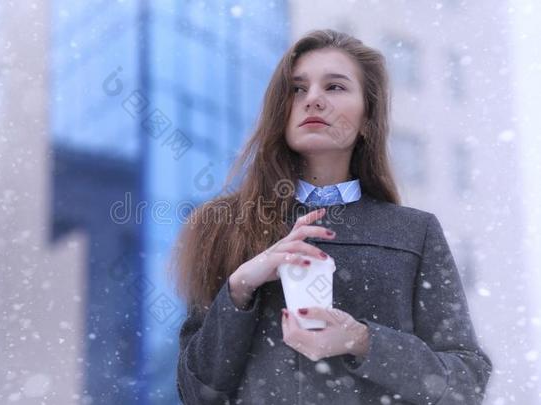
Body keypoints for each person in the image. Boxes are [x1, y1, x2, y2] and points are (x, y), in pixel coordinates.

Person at [169, 29, 492, 405]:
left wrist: (363, 340)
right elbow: (197, 391)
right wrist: (240, 288)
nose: (314, 100)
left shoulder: (413, 233)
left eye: (335, 87)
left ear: (368, 118)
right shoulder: (223, 226)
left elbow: (466, 382)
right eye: (298, 89)